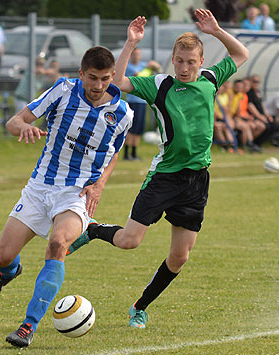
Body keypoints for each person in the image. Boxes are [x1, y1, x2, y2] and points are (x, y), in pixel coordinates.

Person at [69, 9, 249, 328]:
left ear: (201, 61)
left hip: (197, 182)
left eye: (190, 61)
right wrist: (129, 43)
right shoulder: (160, 85)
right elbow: (120, 82)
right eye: (179, 60)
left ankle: (140, 306)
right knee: (129, 241)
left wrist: (217, 30)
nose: (183, 67)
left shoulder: (210, 79)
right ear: (173, 59)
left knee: (180, 258)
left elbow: (241, 53)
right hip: (164, 178)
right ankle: (93, 229)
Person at [0, 46, 134, 347]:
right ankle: (10, 271)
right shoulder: (63, 91)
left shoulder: (122, 114)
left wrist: (100, 184)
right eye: (92, 78)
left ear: (112, 76)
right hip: (40, 187)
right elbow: (14, 121)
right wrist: (23, 126)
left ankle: (27, 326)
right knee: (2, 257)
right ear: (80, 74)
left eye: (105, 79)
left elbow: (114, 153)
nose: (98, 85)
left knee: (58, 243)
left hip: (76, 195)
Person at [124, 48, 161, 160]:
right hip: (133, 101)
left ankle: (134, 153)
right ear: (131, 56)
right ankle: (126, 154)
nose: (137, 56)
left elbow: (157, 67)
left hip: (142, 101)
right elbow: (138, 76)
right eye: (134, 54)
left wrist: (155, 66)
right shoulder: (130, 67)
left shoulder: (143, 65)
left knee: (139, 128)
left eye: (138, 54)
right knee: (132, 128)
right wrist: (148, 67)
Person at [246, 74, 279, 147]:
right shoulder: (249, 93)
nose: (256, 83)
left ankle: (259, 143)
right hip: (255, 116)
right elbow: (250, 107)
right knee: (266, 126)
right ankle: (253, 143)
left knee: (274, 125)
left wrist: (267, 115)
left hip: (261, 115)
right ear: (251, 82)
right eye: (254, 81)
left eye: (258, 81)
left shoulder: (258, 92)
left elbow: (262, 104)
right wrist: (260, 117)